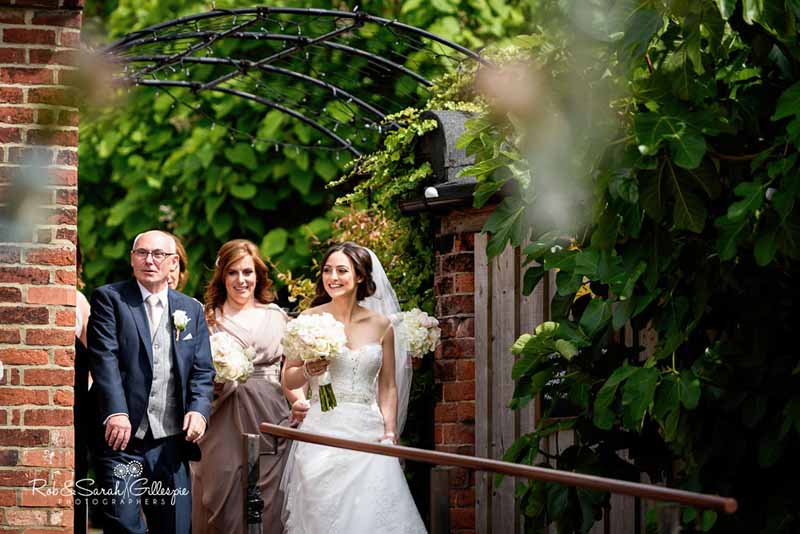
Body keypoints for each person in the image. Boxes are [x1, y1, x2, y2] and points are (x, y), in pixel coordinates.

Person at [280, 242, 424, 534]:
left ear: (360, 276)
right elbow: (288, 379)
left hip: (368, 434)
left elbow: (388, 387)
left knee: (374, 514)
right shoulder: (309, 320)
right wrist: (308, 370)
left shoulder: (382, 325)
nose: (332, 277)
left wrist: (389, 431)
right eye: (327, 270)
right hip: (322, 429)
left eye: (342, 270)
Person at [86, 230, 215, 534]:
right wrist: (116, 412)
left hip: (171, 439)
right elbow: (105, 358)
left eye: (159, 255)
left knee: (175, 528)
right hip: (122, 439)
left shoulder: (190, 309)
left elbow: (202, 370)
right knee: (125, 525)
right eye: (142, 253)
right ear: (132, 259)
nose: (149, 260)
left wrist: (199, 410)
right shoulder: (110, 299)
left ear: (173, 263)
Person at [191, 239, 307, 534]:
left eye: (247, 272)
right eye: (232, 273)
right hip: (221, 416)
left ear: (258, 275)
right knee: (220, 497)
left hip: (270, 415)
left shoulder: (277, 317)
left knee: (269, 501)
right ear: (222, 276)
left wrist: (299, 402)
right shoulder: (206, 318)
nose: (241, 280)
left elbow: (290, 370)